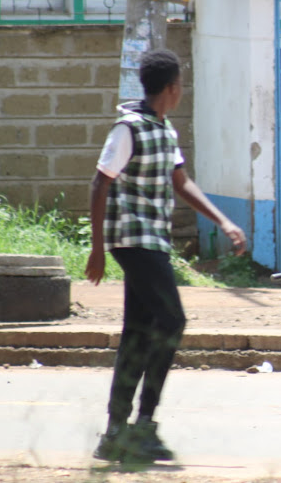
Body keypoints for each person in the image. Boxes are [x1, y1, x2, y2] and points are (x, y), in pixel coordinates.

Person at [86, 49, 247, 462]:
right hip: (131, 241)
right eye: (181, 86)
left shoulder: (164, 129)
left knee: (138, 332)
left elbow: (181, 182)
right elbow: (99, 184)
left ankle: (117, 431)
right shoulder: (129, 129)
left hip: (152, 241)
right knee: (172, 320)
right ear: (172, 88)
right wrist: (98, 249)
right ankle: (144, 425)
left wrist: (224, 221)